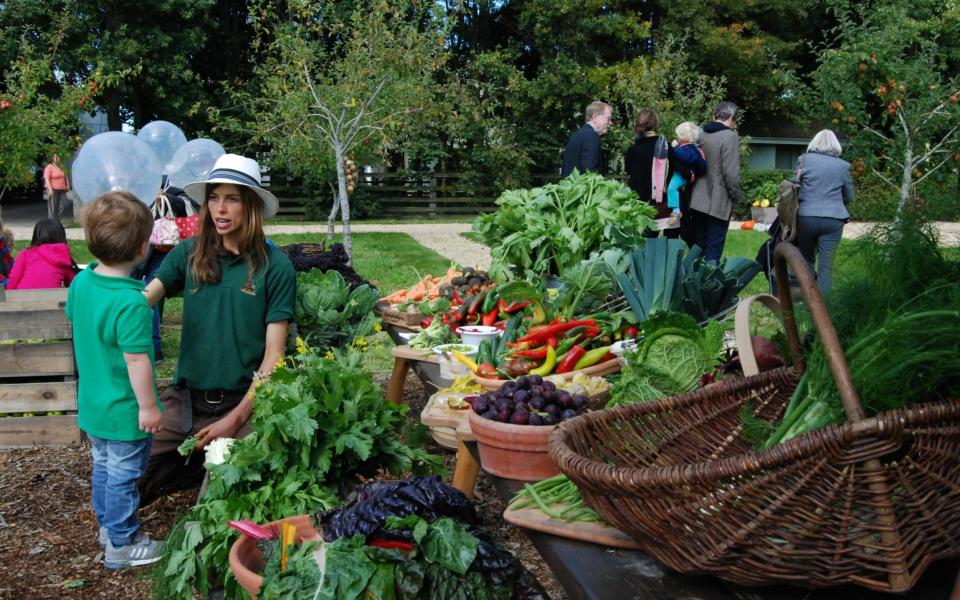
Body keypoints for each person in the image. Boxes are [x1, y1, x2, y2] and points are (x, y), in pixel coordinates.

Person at [138, 154, 295, 504]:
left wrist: (236, 418)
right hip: (186, 401)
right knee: (129, 474)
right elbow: (144, 300)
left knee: (233, 491)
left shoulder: (276, 266)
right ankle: (193, 462)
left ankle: (208, 459)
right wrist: (106, 300)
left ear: (251, 205)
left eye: (231, 199)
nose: (219, 209)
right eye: (213, 197)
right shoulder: (188, 254)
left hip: (244, 402)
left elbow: (274, 356)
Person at [65, 191, 164, 569]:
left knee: (104, 468)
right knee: (123, 475)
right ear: (143, 248)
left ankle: (108, 528)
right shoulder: (132, 302)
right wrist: (149, 406)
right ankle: (122, 544)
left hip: (92, 405)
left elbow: (78, 321)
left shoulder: (82, 282)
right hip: (123, 412)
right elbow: (137, 358)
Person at [793, 129, 853, 295]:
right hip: (834, 220)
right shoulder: (843, 166)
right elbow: (849, 196)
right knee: (826, 267)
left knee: (807, 261)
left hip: (807, 217)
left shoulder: (803, 160)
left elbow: (793, 189)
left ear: (814, 142)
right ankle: (824, 309)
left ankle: (807, 302)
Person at [689, 101, 742, 262]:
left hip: (697, 199)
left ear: (715, 116)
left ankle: (691, 284)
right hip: (717, 202)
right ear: (731, 118)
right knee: (713, 250)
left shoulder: (700, 134)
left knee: (698, 249)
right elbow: (731, 173)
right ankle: (709, 286)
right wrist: (736, 195)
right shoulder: (729, 137)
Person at [5, 218, 77, 290]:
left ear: (36, 235)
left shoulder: (25, 254)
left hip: (21, 299)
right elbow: (74, 286)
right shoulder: (62, 257)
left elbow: (13, 282)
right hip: (51, 300)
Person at [667, 122, 707, 227]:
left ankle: (676, 211)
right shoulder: (691, 148)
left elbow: (685, 157)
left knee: (671, 188)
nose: (677, 137)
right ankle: (676, 210)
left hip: (683, 176)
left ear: (685, 138)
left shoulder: (689, 149)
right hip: (683, 175)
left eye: (679, 135)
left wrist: (675, 148)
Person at [561, 101, 612, 177]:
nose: (610, 123)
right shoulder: (591, 136)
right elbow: (589, 172)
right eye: (608, 119)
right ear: (595, 117)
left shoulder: (580, 134)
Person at [43, 155, 71, 222]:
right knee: (54, 206)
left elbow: (65, 175)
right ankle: (53, 221)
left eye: (58, 157)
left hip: (62, 188)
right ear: (52, 159)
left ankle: (55, 219)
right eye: (56, 157)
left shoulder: (61, 166)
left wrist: (68, 184)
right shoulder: (49, 167)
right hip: (53, 189)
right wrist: (50, 189)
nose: (58, 158)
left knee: (65, 204)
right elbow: (47, 179)